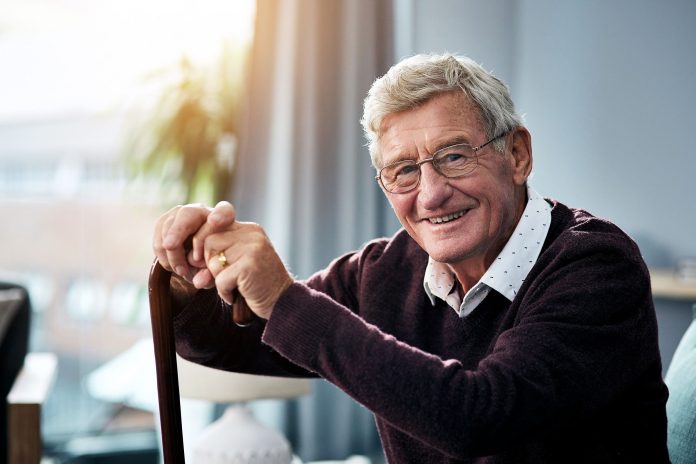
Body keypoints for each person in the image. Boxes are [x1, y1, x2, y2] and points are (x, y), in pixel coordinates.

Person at [153, 54, 669, 463]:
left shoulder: (597, 265)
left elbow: (481, 418)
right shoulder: (385, 271)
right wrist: (187, 283)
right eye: (403, 170)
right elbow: (241, 342)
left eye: (454, 156)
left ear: (517, 155)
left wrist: (285, 299)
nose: (431, 194)